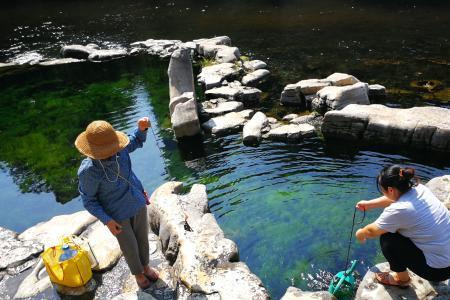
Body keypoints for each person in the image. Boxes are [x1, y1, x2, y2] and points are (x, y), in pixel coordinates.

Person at [75, 118, 159, 289]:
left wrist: (141, 129)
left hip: (137, 201)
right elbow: (89, 200)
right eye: (106, 151)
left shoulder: (119, 150)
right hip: (116, 213)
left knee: (142, 238)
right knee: (129, 245)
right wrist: (107, 220)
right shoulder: (89, 171)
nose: (112, 153)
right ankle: (138, 274)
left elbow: (135, 141)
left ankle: (145, 266)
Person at [355, 165, 450, 288]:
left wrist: (360, 233)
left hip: (439, 271)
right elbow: (395, 197)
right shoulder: (419, 189)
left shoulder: (399, 210)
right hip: (446, 259)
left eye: (382, 189)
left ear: (390, 190)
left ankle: (401, 279)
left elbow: (371, 231)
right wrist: (369, 204)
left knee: (387, 237)